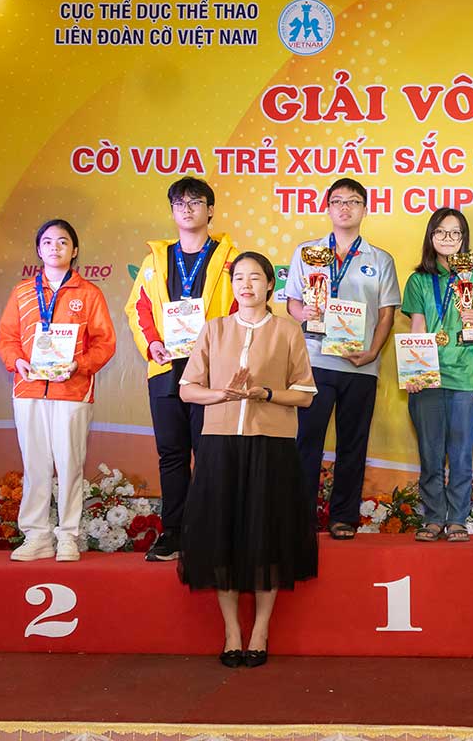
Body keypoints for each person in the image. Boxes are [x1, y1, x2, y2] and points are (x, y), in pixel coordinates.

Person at [178, 252, 319, 667]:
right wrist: (221, 394)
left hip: (271, 445)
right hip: (220, 443)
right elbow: (187, 389)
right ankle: (231, 632)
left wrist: (266, 394)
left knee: (267, 537)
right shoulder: (214, 329)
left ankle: (260, 629)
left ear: (270, 284)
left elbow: (306, 395)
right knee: (221, 536)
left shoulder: (287, 331)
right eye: (239, 277)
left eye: (255, 277)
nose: (246, 285)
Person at [125, 177, 240, 562]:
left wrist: (220, 351)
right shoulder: (155, 261)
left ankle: (211, 533)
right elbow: (138, 308)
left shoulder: (231, 260)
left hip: (212, 373)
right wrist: (152, 344)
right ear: (172, 211)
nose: (187, 209)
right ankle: (173, 532)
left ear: (211, 210)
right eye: (179, 203)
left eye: (195, 202)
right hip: (165, 370)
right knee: (171, 454)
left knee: (211, 453)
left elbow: (242, 309)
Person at [284, 177, 402, 539]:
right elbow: (292, 302)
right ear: (328, 208)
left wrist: (372, 352)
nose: (345, 207)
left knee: (353, 443)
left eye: (353, 201)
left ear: (365, 209)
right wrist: (306, 314)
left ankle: (344, 518)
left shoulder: (380, 259)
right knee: (307, 441)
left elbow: (386, 313)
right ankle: (299, 518)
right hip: (315, 361)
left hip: (360, 365)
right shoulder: (307, 252)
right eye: (337, 201)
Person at [0, 219, 116, 562]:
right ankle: (36, 536)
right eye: (48, 242)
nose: (55, 247)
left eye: (63, 242)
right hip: (29, 389)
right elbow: (7, 338)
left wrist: (80, 364)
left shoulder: (89, 293)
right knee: (35, 466)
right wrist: (17, 361)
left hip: (72, 391)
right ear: (38, 249)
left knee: (69, 465)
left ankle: (68, 536)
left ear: (74, 250)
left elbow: (105, 342)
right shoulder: (22, 292)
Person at [402, 208, 473, 542]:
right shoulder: (418, 280)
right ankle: (432, 518)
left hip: (466, 377)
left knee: (460, 454)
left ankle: (457, 518)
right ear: (431, 236)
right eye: (441, 232)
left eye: (455, 233)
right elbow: (418, 326)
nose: (448, 238)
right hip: (428, 375)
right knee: (430, 453)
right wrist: (414, 370)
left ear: (463, 239)